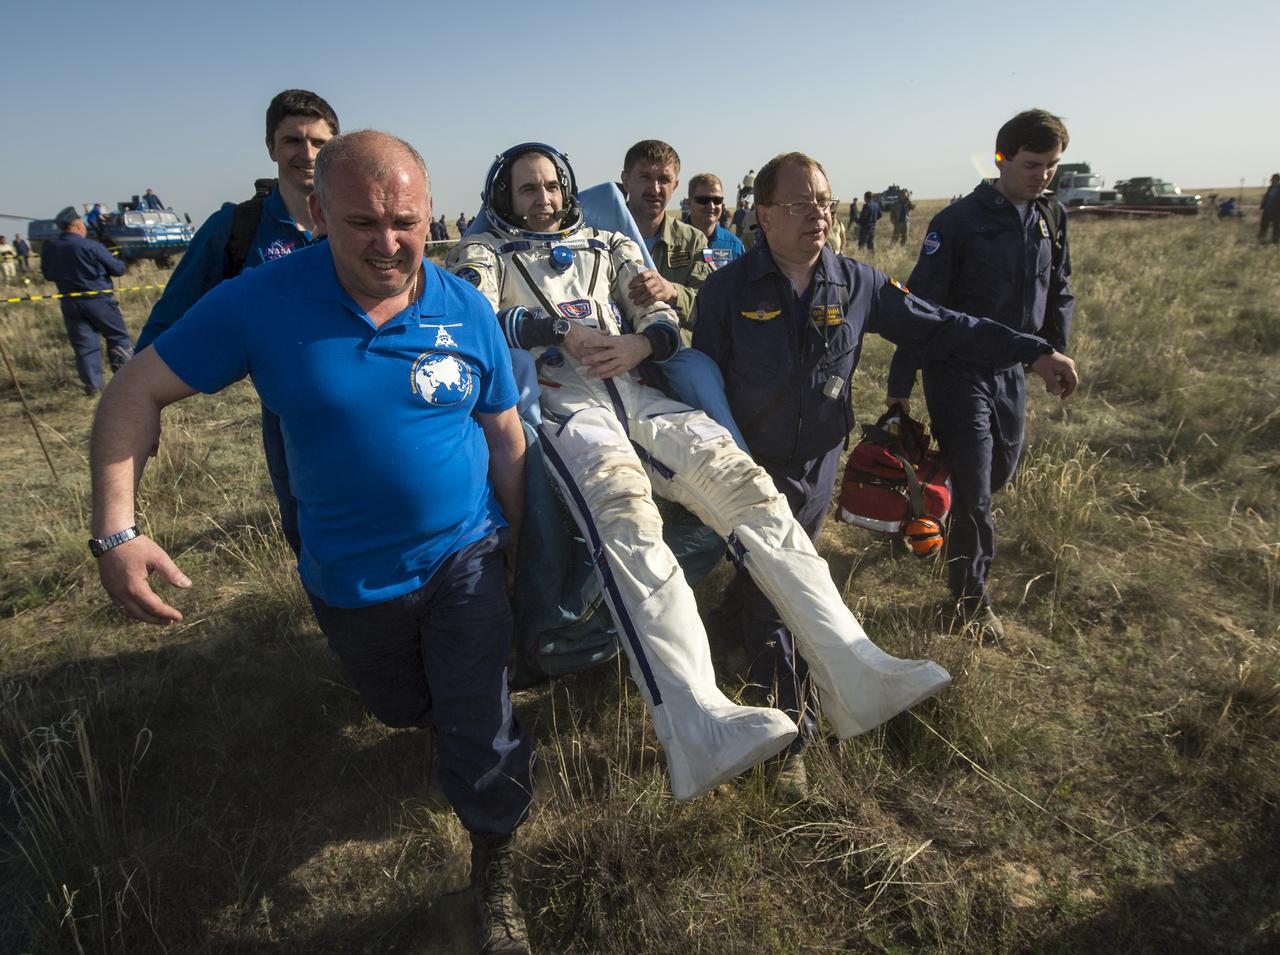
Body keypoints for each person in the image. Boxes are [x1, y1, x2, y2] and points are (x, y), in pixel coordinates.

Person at [89, 131, 535, 955]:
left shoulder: (466, 307)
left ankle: (495, 862)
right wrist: (118, 529)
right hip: (350, 579)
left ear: (431, 215)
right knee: (399, 706)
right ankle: (448, 721)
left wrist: (522, 547)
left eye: (406, 221)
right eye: (363, 222)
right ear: (320, 214)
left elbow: (505, 438)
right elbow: (133, 390)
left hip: (463, 552)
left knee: (479, 710)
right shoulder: (261, 302)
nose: (388, 242)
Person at [448, 143, 953, 802]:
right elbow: (475, 316)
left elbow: (656, 309)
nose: (543, 200)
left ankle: (853, 668)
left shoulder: (607, 243)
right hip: (563, 404)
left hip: (636, 385)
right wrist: (555, 331)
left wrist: (640, 341)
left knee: (748, 486)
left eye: (551, 186)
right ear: (504, 197)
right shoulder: (484, 252)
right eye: (527, 190)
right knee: (627, 517)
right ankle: (694, 721)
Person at [693, 151, 1079, 791]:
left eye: (824, 201)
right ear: (763, 215)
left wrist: (1033, 351)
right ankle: (789, 737)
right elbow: (701, 382)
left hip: (819, 463)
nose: (818, 215)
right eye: (800, 203)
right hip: (751, 468)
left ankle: (732, 628)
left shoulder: (857, 284)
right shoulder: (725, 292)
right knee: (787, 593)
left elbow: (945, 326)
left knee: (775, 579)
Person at [885, 109, 1076, 642]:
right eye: (1032, 164)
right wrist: (900, 384)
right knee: (975, 486)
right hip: (957, 369)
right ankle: (970, 599)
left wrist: (1051, 353)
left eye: (1052, 165)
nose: (1043, 175)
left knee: (997, 473)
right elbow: (919, 306)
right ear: (1001, 159)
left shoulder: (1051, 216)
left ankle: (926, 510)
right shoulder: (958, 222)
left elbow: (1059, 287)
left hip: (1012, 370)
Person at [136, 89, 340, 558]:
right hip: (288, 416)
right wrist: (142, 402)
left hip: (373, 399)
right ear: (271, 147)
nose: (307, 153)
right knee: (309, 533)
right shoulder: (236, 229)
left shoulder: (358, 221)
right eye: (292, 140)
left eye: (319, 142)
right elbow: (171, 315)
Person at [38, 206, 133, 395]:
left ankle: (93, 387)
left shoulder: (50, 249)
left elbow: (48, 274)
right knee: (118, 337)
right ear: (78, 226)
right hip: (98, 300)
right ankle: (125, 382)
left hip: (69, 301)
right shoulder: (91, 246)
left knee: (84, 345)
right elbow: (118, 269)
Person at [619, 140, 712, 327]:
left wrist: (673, 293)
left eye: (664, 180)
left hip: (674, 343)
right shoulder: (600, 237)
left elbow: (712, 304)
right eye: (645, 177)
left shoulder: (693, 241)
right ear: (626, 180)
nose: (655, 189)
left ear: (675, 186)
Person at [685, 172, 745, 270]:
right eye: (703, 200)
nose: (711, 206)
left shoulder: (734, 245)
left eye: (717, 200)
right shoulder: (671, 240)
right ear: (689, 203)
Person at [1260, 173, 1280, 244]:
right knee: (1264, 226)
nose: (1270, 180)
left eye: (1272, 179)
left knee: (1276, 227)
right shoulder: (1270, 188)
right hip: (1267, 210)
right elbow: (1266, 197)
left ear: (1276, 179)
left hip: (1276, 212)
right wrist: (1262, 206)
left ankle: (1275, 241)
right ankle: (1262, 239)